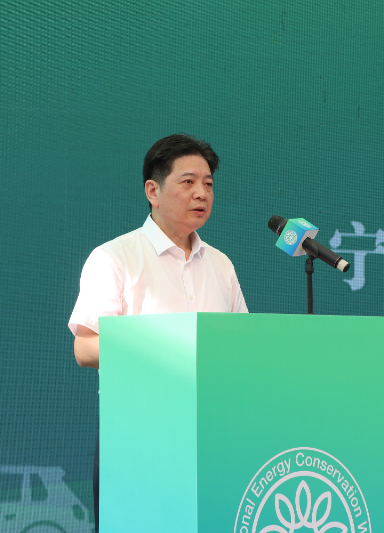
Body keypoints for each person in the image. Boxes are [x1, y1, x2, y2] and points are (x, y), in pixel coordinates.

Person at [67, 134, 248, 532]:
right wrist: (167, 349)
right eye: (188, 182)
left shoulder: (221, 265)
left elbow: (242, 348)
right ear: (153, 191)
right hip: (138, 434)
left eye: (208, 184)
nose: (202, 193)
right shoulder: (115, 257)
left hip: (214, 433)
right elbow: (85, 347)